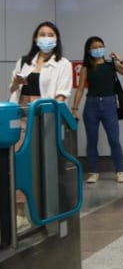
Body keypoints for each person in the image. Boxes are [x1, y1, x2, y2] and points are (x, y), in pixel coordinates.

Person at [9, 21, 73, 230]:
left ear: (57, 38)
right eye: (42, 34)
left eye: (50, 34)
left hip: (44, 115)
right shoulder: (24, 61)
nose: (46, 38)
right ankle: (20, 213)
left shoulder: (62, 63)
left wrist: (57, 110)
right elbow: (12, 87)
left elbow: (62, 92)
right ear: (35, 39)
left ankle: (44, 211)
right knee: (18, 162)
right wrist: (17, 84)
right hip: (21, 114)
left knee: (42, 163)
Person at [72, 36, 123, 184]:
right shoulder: (86, 68)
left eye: (100, 46)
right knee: (92, 141)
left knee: (114, 139)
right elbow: (80, 89)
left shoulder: (110, 65)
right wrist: (74, 108)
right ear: (89, 50)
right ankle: (93, 172)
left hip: (109, 104)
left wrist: (120, 59)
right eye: (94, 47)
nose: (98, 49)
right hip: (91, 105)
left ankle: (120, 171)